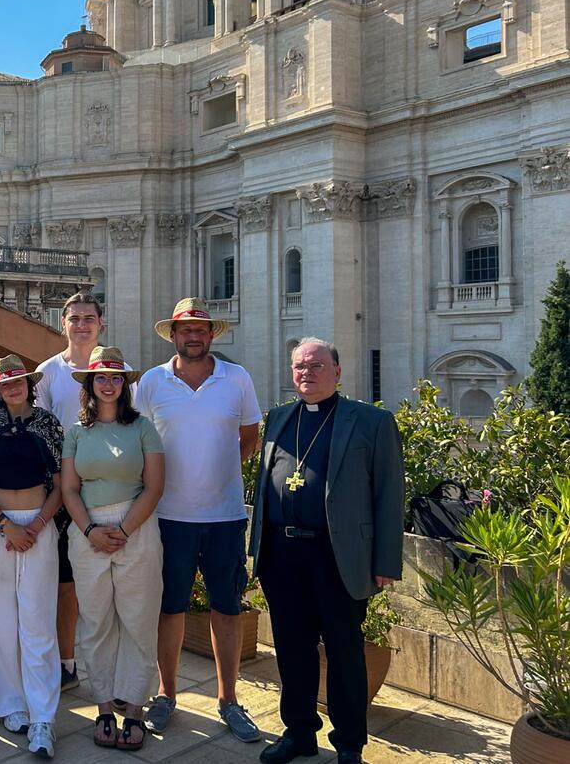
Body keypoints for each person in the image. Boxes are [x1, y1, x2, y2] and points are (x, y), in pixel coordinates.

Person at [249, 338, 404, 764]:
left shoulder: (371, 422)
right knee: (292, 650)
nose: (307, 374)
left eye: (317, 366)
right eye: (299, 367)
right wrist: (257, 552)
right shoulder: (279, 419)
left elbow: (390, 494)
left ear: (337, 372)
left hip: (337, 557)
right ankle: (298, 732)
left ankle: (349, 744)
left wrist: (385, 562)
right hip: (282, 557)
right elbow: (266, 488)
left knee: (344, 652)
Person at [135, 298, 262, 742]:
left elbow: (250, 435)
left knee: (227, 608)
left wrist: (222, 470)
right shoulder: (151, 382)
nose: (193, 336)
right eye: (185, 329)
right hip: (168, 517)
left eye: (201, 329)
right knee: (169, 608)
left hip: (225, 516)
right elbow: (137, 438)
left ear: (212, 335)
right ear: (172, 334)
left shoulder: (237, 378)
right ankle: (167, 695)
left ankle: (229, 700)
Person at [59, 347, 165, 752]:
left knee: (138, 620)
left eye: (115, 377)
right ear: (90, 384)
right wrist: (90, 530)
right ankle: (104, 704)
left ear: (125, 384)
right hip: (87, 530)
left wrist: (122, 528)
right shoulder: (76, 432)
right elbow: (69, 487)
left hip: (136, 526)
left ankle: (135, 707)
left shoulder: (143, 428)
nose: (108, 383)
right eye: (100, 377)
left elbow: (154, 486)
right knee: (96, 620)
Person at [35, 292, 133, 692]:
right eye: (74, 318)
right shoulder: (46, 372)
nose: (81, 324)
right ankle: (66, 661)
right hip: (60, 493)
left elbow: (135, 427)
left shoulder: (121, 371)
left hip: (112, 491)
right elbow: (40, 430)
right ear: (63, 323)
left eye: (88, 318)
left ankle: (118, 668)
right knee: (62, 584)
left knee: (115, 583)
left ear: (101, 323)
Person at [0, 355, 65, 760]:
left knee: (38, 620)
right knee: (1, 619)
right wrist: (6, 525)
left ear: (29, 384)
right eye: (6, 383)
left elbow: (62, 484)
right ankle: (10, 704)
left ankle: (43, 715)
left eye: (20, 381)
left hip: (39, 527)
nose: (14, 387)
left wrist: (38, 525)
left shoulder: (48, 424)